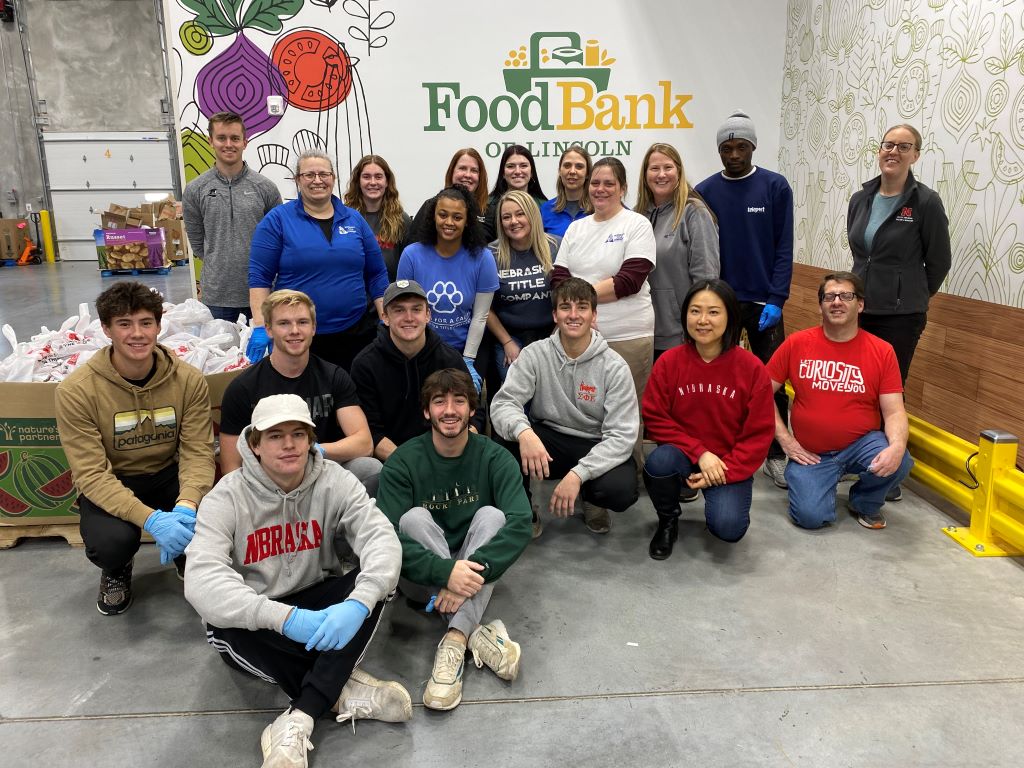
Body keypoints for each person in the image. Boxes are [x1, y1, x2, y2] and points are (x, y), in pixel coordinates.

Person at [184, 394, 410, 768]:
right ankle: (337, 689)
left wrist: (358, 602)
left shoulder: (335, 481)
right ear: (254, 444)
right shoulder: (226, 497)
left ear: (310, 440)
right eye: (275, 436)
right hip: (258, 614)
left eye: (298, 434)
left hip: (316, 594)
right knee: (224, 620)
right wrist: (284, 619)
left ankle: (298, 718)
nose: (288, 445)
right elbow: (201, 581)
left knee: (374, 585)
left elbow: (380, 539)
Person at [54, 282, 214, 615]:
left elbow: (197, 451)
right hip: (117, 479)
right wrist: (152, 521)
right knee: (111, 543)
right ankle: (116, 570)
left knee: (215, 519)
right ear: (106, 329)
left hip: (169, 475)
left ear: (158, 326)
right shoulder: (77, 391)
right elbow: (92, 474)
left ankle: (190, 555)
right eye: (124, 324)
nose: (137, 333)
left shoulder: (188, 380)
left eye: (145, 323)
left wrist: (186, 506)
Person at [376, 369, 531, 711]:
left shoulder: (493, 457)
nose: (450, 409)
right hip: (420, 580)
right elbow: (384, 535)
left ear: (472, 410)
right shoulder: (403, 462)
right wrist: (445, 571)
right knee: (412, 519)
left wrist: (466, 574)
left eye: (459, 401)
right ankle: (476, 631)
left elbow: (520, 523)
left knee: (493, 516)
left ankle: (456, 639)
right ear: (426, 411)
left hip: (475, 570)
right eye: (439, 401)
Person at [847, 124, 951, 501]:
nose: (893, 151)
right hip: (859, 309)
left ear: (915, 155)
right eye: (888, 145)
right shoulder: (862, 197)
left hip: (901, 316)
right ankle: (862, 460)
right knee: (858, 386)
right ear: (879, 151)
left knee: (888, 390)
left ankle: (887, 472)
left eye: (903, 147)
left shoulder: (924, 202)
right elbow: (861, 252)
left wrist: (911, 294)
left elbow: (938, 261)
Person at [491, 278, 639, 537]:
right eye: (565, 307)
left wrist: (578, 474)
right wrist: (525, 434)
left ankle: (592, 498)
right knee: (505, 445)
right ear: (554, 315)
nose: (573, 315)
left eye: (582, 307)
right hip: (550, 441)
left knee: (620, 489)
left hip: (595, 441)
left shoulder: (614, 367)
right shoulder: (535, 354)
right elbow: (504, 403)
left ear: (594, 316)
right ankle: (523, 509)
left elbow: (622, 436)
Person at [765, 272, 913, 530]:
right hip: (811, 454)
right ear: (820, 304)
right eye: (829, 296)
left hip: (861, 445)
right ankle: (814, 484)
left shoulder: (881, 351)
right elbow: (759, 393)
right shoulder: (797, 344)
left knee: (900, 460)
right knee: (810, 518)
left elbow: (894, 412)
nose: (837, 302)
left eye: (846, 296)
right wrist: (786, 441)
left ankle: (864, 502)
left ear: (861, 304)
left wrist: (897, 446)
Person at [695, 110, 795, 492]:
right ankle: (718, 448)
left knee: (772, 381)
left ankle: (775, 454)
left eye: (741, 147)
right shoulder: (705, 191)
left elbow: (784, 246)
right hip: (721, 302)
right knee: (715, 379)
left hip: (764, 302)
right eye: (726, 148)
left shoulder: (775, 187)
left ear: (753, 147)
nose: (734, 154)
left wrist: (778, 298)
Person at [642, 280, 774, 560]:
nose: (703, 320)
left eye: (713, 312)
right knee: (659, 463)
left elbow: (759, 435)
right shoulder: (669, 362)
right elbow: (655, 417)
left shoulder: (752, 369)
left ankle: (721, 497)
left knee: (728, 529)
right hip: (684, 455)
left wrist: (726, 470)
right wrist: (700, 453)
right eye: (695, 311)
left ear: (730, 317)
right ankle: (668, 520)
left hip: (729, 462)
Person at [218, 290, 381, 496]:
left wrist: (313, 451)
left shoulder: (333, 376)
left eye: (302, 322)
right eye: (284, 323)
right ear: (268, 329)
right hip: (267, 486)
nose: (294, 330)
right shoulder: (243, 388)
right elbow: (231, 467)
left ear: (314, 328)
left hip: (322, 475)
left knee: (370, 468)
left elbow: (364, 443)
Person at [551, 156, 656, 468]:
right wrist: (579, 307)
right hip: (580, 339)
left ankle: (628, 474)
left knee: (625, 414)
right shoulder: (576, 228)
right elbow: (558, 280)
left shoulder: (636, 224)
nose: (600, 189)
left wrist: (576, 302)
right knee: (587, 413)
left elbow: (630, 280)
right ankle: (588, 477)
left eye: (609, 183)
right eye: (595, 183)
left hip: (628, 336)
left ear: (622, 188)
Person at [248, 149, 388, 371]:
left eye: (324, 174)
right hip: (298, 338)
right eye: (309, 175)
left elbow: (377, 273)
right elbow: (259, 277)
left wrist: (385, 317)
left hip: (356, 333)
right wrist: (259, 325)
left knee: (349, 397)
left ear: (333, 178)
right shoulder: (277, 221)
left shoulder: (354, 219)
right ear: (297, 180)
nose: (317, 180)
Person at [350, 279, 483, 461]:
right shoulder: (365, 365)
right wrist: (410, 465)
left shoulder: (449, 358)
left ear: (428, 315)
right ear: (385, 317)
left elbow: (475, 414)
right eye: (399, 310)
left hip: (445, 454)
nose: (409, 318)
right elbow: (370, 432)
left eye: (416, 309)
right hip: (392, 460)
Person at [183, 111, 283, 322]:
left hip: (262, 291)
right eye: (221, 138)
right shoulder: (195, 190)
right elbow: (198, 243)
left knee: (263, 355)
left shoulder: (265, 188)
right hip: (217, 296)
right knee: (221, 354)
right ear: (211, 141)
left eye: (235, 138)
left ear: (245, 142)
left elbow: (279, 239)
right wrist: (220, 261)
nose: (229, 144)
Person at [397, 185, 499, 385]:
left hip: (466, 349)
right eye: (443, 215)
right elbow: (403, 311)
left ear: (467, 221)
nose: (449, 222)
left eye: (457, 217)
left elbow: (481, 316)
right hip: (421, 349)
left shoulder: (483, 258)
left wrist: (468, 360)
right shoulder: (411, 255)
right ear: (432, 216)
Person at [636, 142, 720, 359]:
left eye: (668, 167)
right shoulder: (637, 217)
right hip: (642, 332)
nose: (661, 174)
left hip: (681, 335)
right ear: (645, 174)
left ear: (679, 172)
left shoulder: (694, 213)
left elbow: (707, 278)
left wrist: (699, 328)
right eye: (654, 168)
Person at [483, 190, 559, 388]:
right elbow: (484, 308)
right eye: (506, 217)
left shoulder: (555, 246)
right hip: (510, 338)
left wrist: (556, 338)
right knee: (516, 398)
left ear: (532, 215)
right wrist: (507, 343)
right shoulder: (491, 254)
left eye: (520, 214)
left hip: (552, 335)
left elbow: (567, 298)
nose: (513, 221)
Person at [343, 154, 412, 281]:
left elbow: (409, 265)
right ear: (358, 182)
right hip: (355, 295)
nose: (373, 182)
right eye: (366, 177)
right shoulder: (344, 218)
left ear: (387, 182)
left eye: (378, 177)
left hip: (390, 296)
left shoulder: (401, 220)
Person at [410, 148, 490, 239]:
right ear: (452, 172)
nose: (468, 175)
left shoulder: (489, 212)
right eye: (462, 168)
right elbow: (414, 245)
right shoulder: (431, 205)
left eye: (474, 170)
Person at [483, 144, 547, 242]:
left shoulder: (544, 206)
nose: (517, 171)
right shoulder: (487, 206)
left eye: (523, 166)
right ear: (503, 173)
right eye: (511, 166)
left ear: (532, 172)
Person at [540, 145, 592, 236]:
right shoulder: (545, 209)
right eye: (567, 165)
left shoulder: (598, 208)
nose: (572, 171)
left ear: (587, 173)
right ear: (560, 171)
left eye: (579, 166)